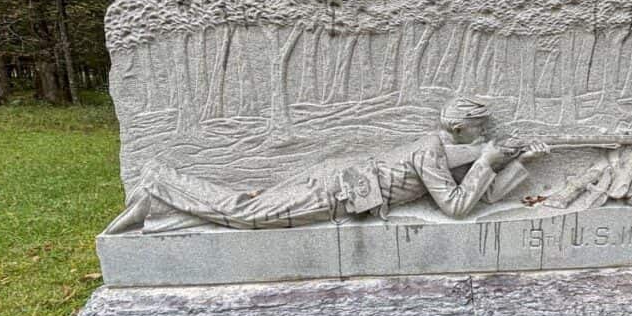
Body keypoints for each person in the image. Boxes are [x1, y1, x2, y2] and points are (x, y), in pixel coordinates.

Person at [106, 95, 549, 233]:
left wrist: (512, 161)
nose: (484, 135)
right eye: (479, 129)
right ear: (458, 128)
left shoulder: (440, 148)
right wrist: (489, 160)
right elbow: (455, 206)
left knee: (248, 207)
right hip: (335, 192)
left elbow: (477, 180)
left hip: (336, 178)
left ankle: (160, 210)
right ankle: (161, 183)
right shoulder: (430, 151)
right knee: (248, 214)